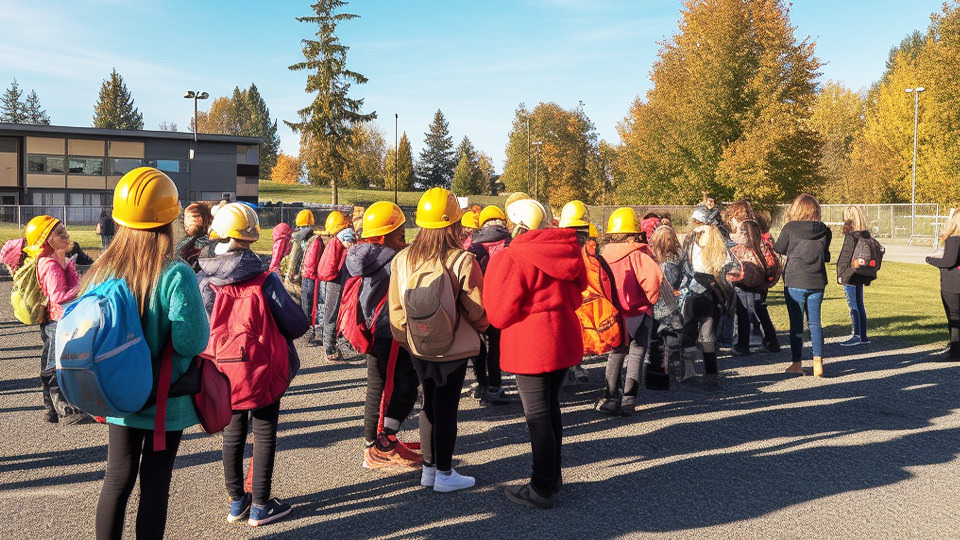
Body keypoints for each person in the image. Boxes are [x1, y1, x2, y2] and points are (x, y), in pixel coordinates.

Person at [88, 167, 210, 540]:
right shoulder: (175, 274)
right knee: (155, 486)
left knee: (116, 479)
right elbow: (192, 341)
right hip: (163, 399)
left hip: (118, 395)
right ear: (170, 219)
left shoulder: (103, 269)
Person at [197, 202, 308, 527]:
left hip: (222, 370)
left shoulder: (204, 281)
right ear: (250, 238)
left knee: (232, 434)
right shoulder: (265, 279)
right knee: (264, 433)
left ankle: (236, 503)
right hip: (262, 370)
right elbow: (296, 324)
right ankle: (261, 505)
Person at [484, 198, 586, 509]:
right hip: (562, 335)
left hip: (531, 342)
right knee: (550, 409)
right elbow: (578, 294)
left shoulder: (512, 257)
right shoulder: (566, 249)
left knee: (537, 416)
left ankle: (541, 487)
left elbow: (498, 315)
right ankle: (552, 478)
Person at [389, 187, 488, 493]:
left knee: (429, 405)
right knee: (447, 407)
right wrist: (484, 327)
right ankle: (444, 472)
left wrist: (408, 340)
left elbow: (395, 310)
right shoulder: (463, 260)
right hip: (454, 348)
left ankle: (429, 470)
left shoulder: (403, 258)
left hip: (417, 346)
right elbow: (476, 309)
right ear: (454, 225)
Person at [346, 202, 423, 469]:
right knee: (392, 389)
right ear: (383, 235)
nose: (405, 236)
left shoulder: (363, 254)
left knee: (382, 388)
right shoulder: (391, 258)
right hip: (388, 330)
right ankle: (379, 447)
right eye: (399, 232)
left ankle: (380, 441)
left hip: (375, 329)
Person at [597, 207, 663, 415]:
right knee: (636, 354)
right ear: (633, 234)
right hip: (639, 313)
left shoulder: (603, 255)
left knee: (616, 354)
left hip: (614, 314)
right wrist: (649, 301)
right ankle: (628, 400)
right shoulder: (638, 254)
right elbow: (653, 281)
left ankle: (610, 398)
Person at [24, 215, 87, 424]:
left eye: (65, 230)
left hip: (60, 320)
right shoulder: (49, 264)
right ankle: (66, 411)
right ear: (47, 240)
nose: (66, 235)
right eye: (60, 233)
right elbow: (58, 296)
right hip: (56, 322)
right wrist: (83, 287)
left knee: (51, 361)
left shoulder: (60, 258)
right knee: (55, 365)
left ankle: (50, 410)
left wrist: (69, 266)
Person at [775, 193, 831, 377]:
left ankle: (797, 363)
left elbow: (779, 249)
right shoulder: (825, 230)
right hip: (817, 281)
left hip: (795, 280)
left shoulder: (790, 228)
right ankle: (818, 362)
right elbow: (826, 256)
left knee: (796, 324)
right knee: (815, 322)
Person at [677, 221, 739, 386]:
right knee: (708, 336)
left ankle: (688, 372)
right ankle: (711, 374)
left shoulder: (693, 249)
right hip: (712, 296)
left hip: (693, 295)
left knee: (689, 332)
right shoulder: (720, 251)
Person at [467, 204, 512, 403]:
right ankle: (495, 386)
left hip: (475, 301)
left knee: (477, 344)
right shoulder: (510, 244)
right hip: (500, 301)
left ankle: (481, 384)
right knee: (495, 345)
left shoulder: (474, 246)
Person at [317, 210, 356, 361]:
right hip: (343, 280)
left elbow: (327, 268)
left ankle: (329, 347)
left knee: (330, 313)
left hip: (333, 280)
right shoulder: (349, 237)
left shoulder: (335, 241)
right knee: (338, 313)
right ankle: (337, 346)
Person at [836, 205, 874, 347]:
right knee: (859, 304)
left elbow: (845, 256)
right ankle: (862, 335)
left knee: (853, 305)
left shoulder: (851, 236)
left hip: (850, 274)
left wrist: (841, 274)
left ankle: (857, 334)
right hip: (860, 273)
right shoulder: (864, 235)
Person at [926, 208, 960, 361]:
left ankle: (955, 351)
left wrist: (931, 260)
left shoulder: (954, 239)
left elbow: (948, 262)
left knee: (953, 317)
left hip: (952, 283)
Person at [176, 202, 212, 273]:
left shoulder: (202, 244)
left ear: (202, 220)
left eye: (192, 218)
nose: (187, 224)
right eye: (185, 218)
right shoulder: (187, 241)